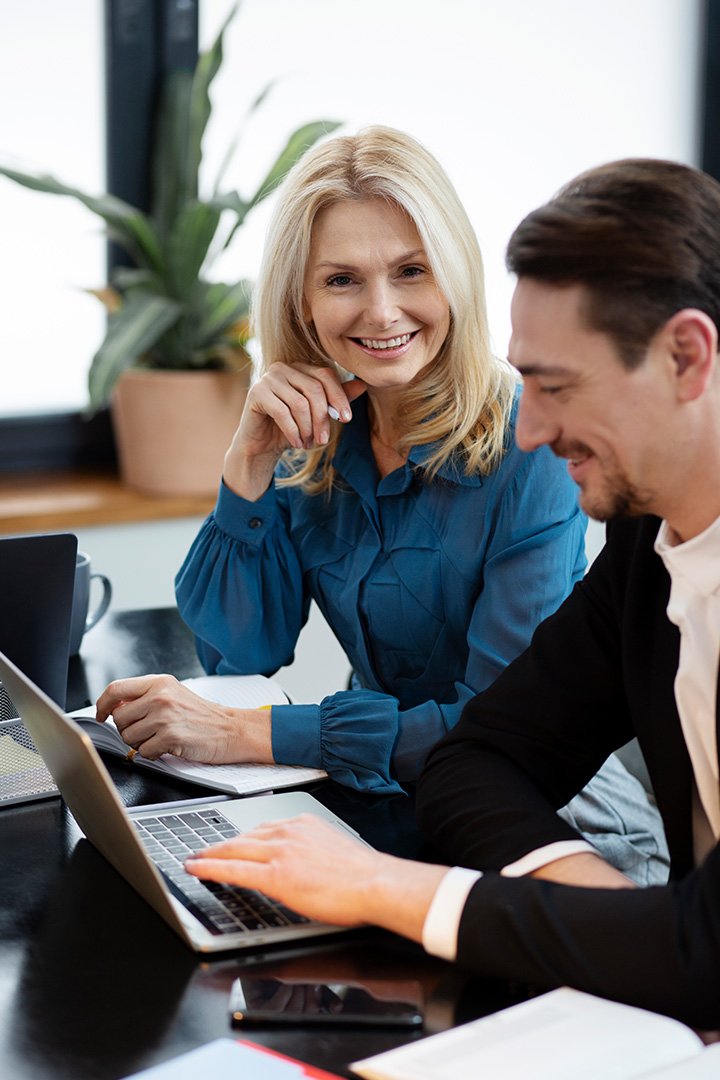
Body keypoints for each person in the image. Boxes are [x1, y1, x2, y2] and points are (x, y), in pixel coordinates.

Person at [184, 157, 720, 1028]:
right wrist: (625, 924)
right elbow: (480, 754)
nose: (536, 427)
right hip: (504, 868)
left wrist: (389, 888)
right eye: (344, 280)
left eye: (556, 386)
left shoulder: (540, 463)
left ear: (687, 357)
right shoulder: (646, 542)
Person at [96, 128, 665, 878]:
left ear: (455, 277)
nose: (382, 311)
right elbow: (242, 653)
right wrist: (248, 464)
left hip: (553, 828)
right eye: (342, 280)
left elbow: (497, 728)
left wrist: (251, 732)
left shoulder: (534, 443)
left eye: (410, 271)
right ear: (300, 296)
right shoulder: (315, 434)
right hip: (382, 811)